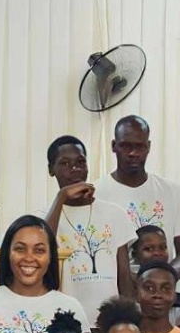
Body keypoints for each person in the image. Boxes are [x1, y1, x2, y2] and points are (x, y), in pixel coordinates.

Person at [92, 116, 180, 279]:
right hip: (117, 297)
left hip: (165, 301)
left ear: (148, 147)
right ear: (113, 146)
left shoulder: (173, 192)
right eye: (125, 146)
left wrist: (161, 280)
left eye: (139, 146)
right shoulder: (95, 193)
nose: (133, 153)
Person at [43, 135, 135, 318]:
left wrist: (129, 318)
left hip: (108, 321)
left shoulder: (114, 213)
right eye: (65, 163)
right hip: (66, 319)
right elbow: (42, 245)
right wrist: (62, 197)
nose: (75, 169)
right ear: (51, 170)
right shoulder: (44, 217)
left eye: (80, 162)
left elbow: (124, 274)